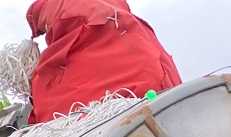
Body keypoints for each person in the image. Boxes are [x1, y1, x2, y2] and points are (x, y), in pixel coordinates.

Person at [25, 0, 182, 123]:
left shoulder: (46, 73)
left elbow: (44, 125)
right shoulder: (132, 30)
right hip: (170, 115)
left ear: (49, 21)